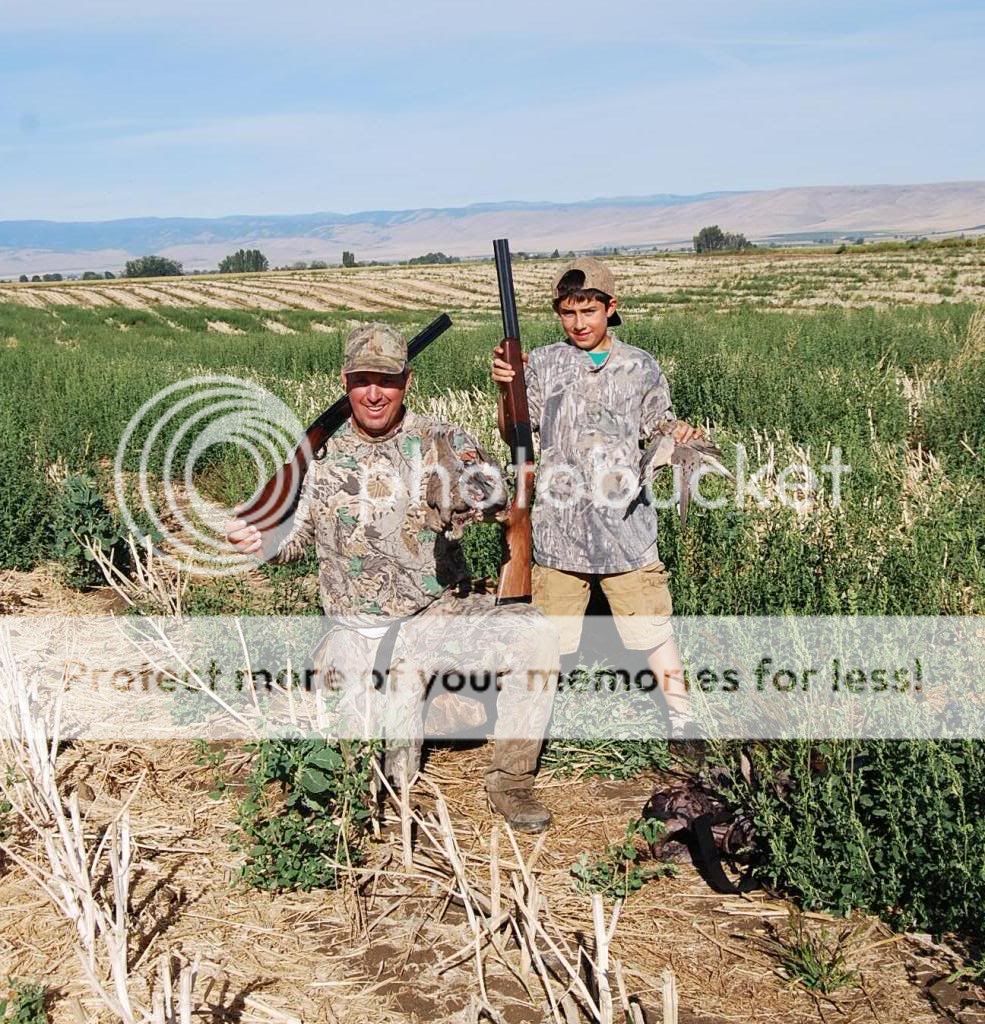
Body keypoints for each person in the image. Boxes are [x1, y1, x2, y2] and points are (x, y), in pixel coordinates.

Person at [228, 322, 559, 832]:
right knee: (382, 782)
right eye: (363, 380)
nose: (375, 393)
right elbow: (295, 543)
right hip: (357, 631)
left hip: (436, 613)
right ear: (345, 382)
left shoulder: (440, 438)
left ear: (407, 381)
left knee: (532, 632)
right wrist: (263, 544)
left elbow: (496, 496)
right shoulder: (321, 456)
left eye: (387, 380)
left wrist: (472, 490)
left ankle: (511, 782)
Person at [491, 257, 700, 733]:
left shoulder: (640, 365)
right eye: (568, 313)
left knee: (653, 632)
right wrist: (507, 390)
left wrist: (680, 432)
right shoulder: (542, 363)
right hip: (558, 534)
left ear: (611, 308)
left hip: (627, 530)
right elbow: (516, 434)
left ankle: (685, 725)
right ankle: (529, 734)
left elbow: (657, 423)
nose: (579, 323)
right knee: (548, 643)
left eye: (589, 311)